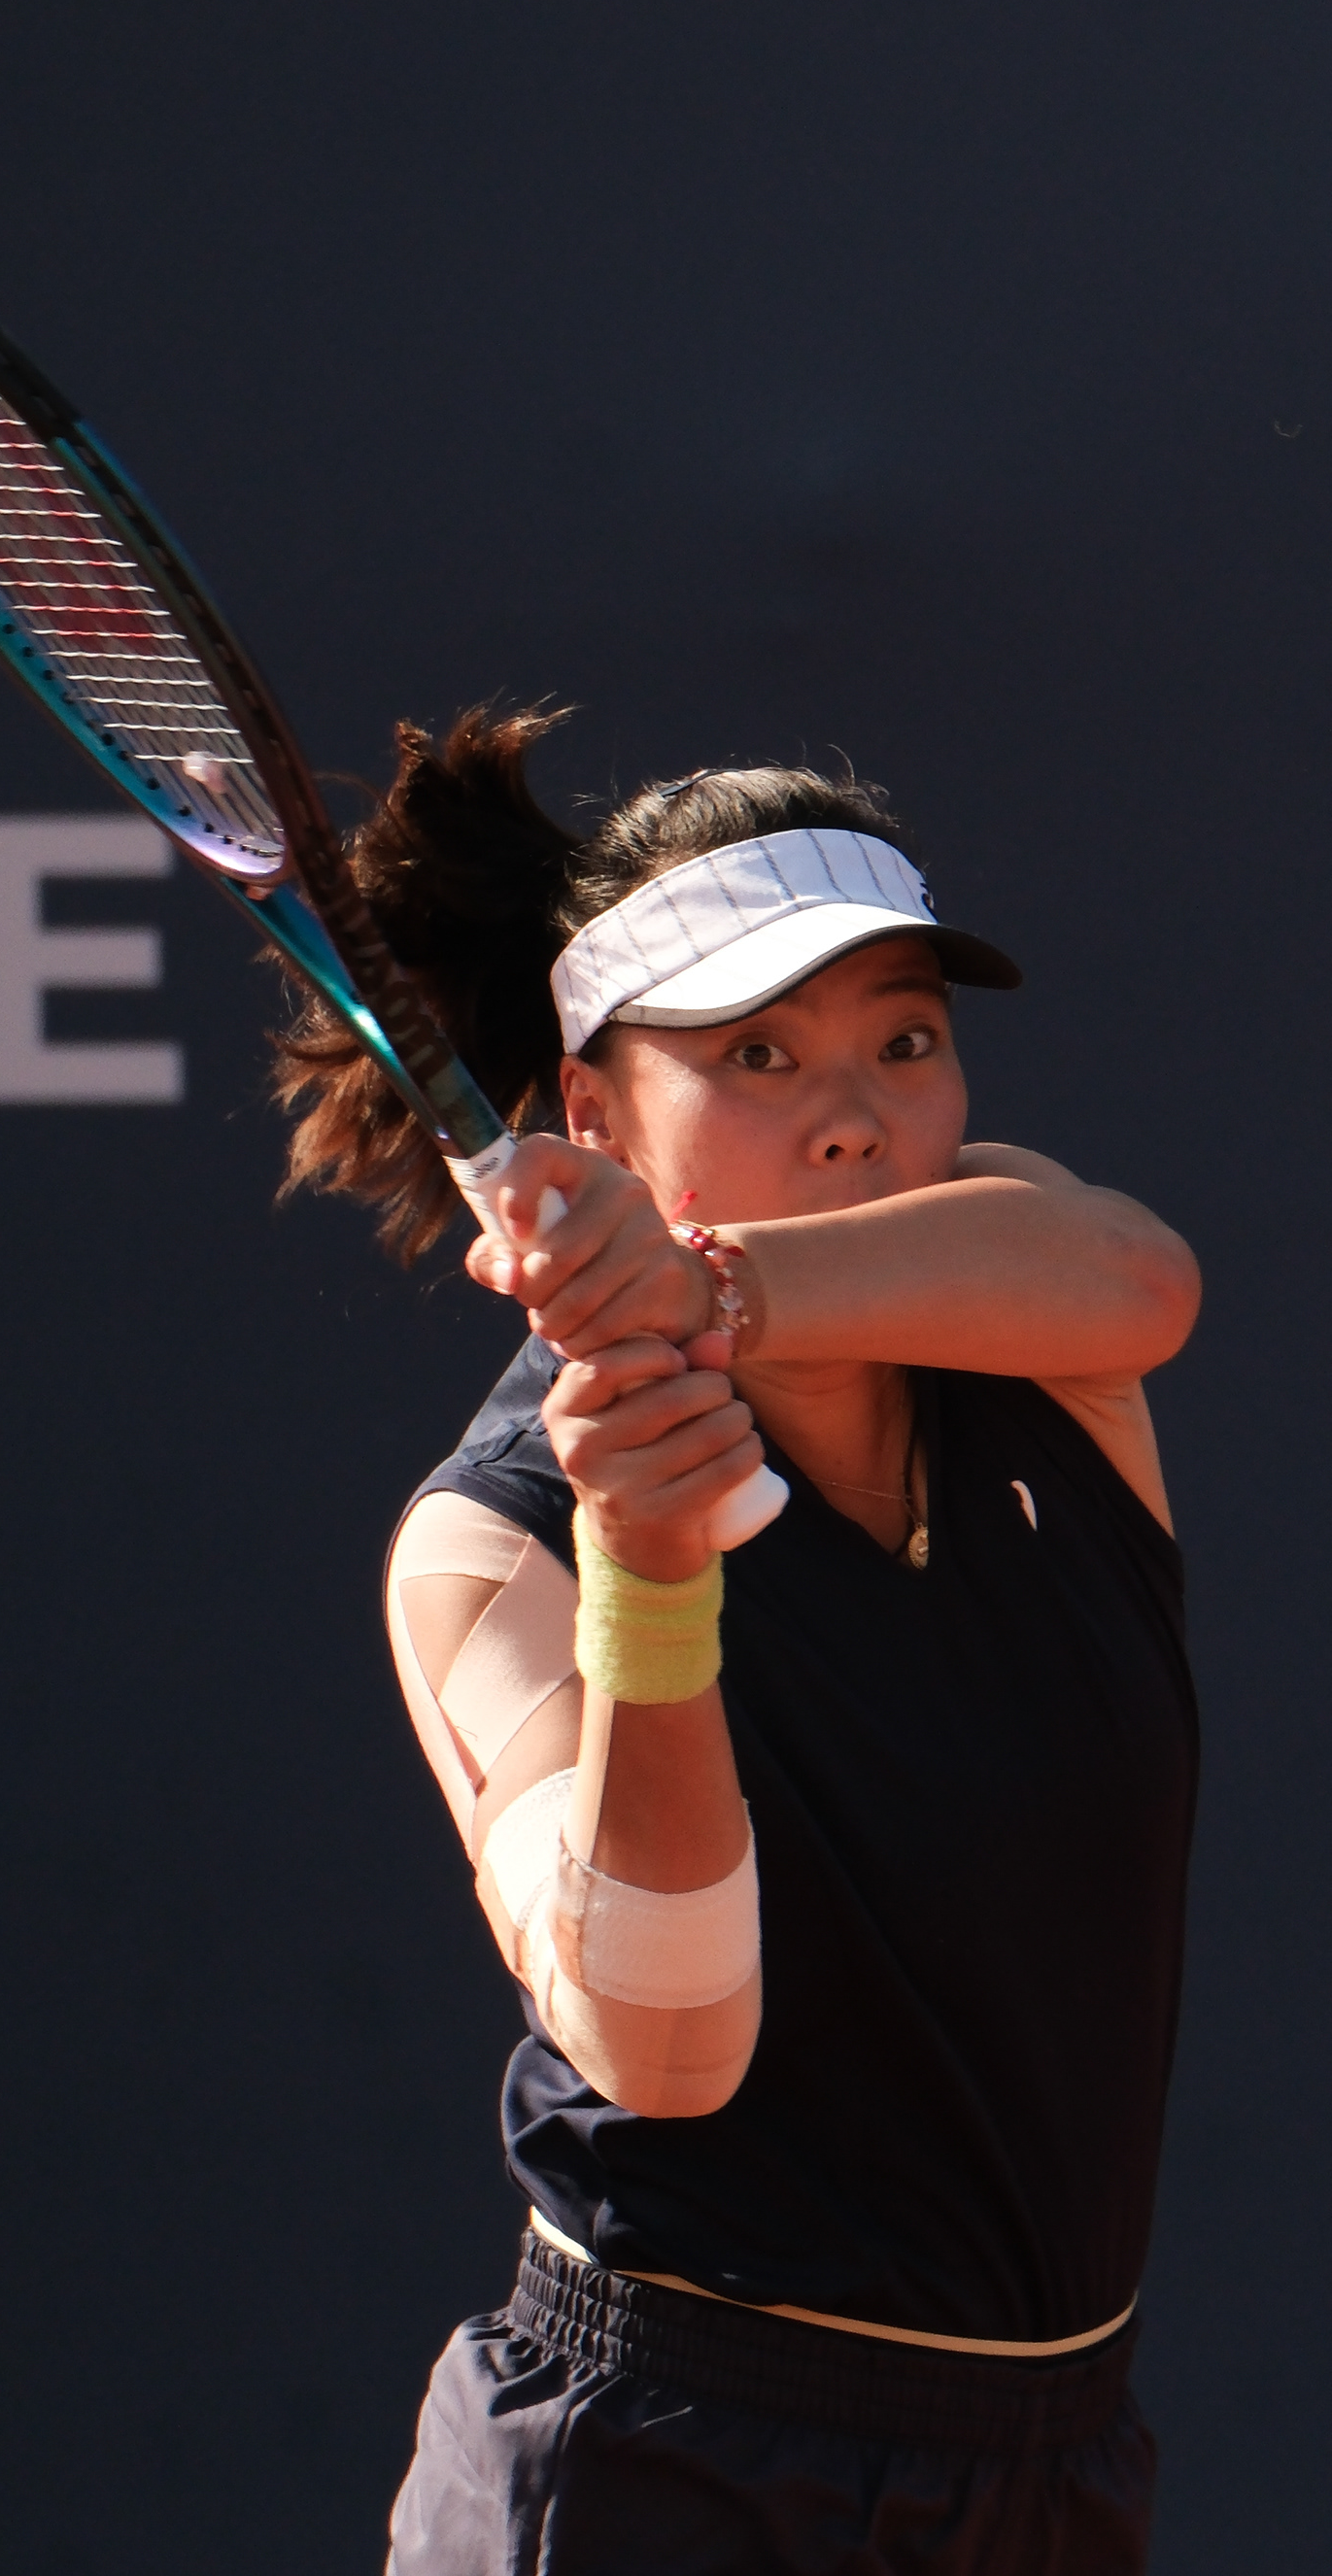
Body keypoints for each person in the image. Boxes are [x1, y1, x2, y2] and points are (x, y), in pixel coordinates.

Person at [275, 711, 1202, 2576]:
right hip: (664, 2478)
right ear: (592, 1114)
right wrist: (649, 1572)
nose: (854, 1112)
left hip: (1052, 2474)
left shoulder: (1033, 1303)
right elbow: (667, 2043)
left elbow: (1142, 1277)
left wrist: (711, 1287)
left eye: (903, 1042)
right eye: (758, 1054)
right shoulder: (491, 1544)